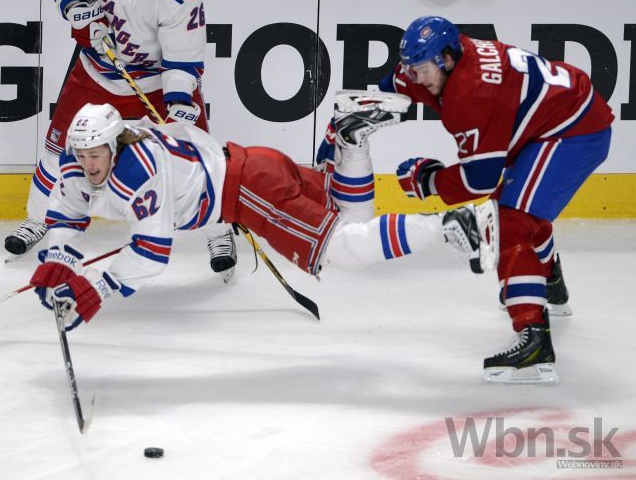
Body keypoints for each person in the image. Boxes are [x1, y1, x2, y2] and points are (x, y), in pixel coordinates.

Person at [29, 93, 499, 332]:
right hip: (255, 168)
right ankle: (348, 137)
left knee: (344, 250)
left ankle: (452, 225)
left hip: (250, 190)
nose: (90, 164)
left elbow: (151, 251)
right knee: (353, 222)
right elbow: (63, 222)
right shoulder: (81, 161)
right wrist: (56, 262)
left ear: (115, 145)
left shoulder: (138, 169)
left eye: (97, 154)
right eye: (83, 153)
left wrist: (94, 290)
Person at [317, 16, 613, 384]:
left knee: (510, 222)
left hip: (573, 130)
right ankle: (548, 280)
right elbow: (391, 88)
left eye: (422, 69)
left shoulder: (472, 95)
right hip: (549, 119)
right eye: (412, 67)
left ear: (446, 59)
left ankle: (535, 342)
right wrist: (342, 126)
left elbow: (478, 184)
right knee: (521, 205)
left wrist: (427, 180)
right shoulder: (447, 59)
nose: (415, 77)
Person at [5, 0, 237, 280]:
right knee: (59, 152)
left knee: (199, 160)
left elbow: (184, 58)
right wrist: (74, 2)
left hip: (155, 82)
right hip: (96, 72)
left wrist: (178, 103)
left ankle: (219, 231)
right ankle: (38, 218)